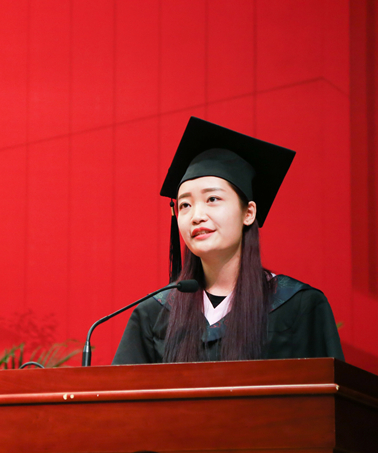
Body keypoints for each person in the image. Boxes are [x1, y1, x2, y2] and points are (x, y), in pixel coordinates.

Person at [112, 117, 344, 365]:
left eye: (212, 199)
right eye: (185, 205)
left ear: (249, 213)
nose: (197, 216)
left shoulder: (298, 306)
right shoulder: (154, 314)